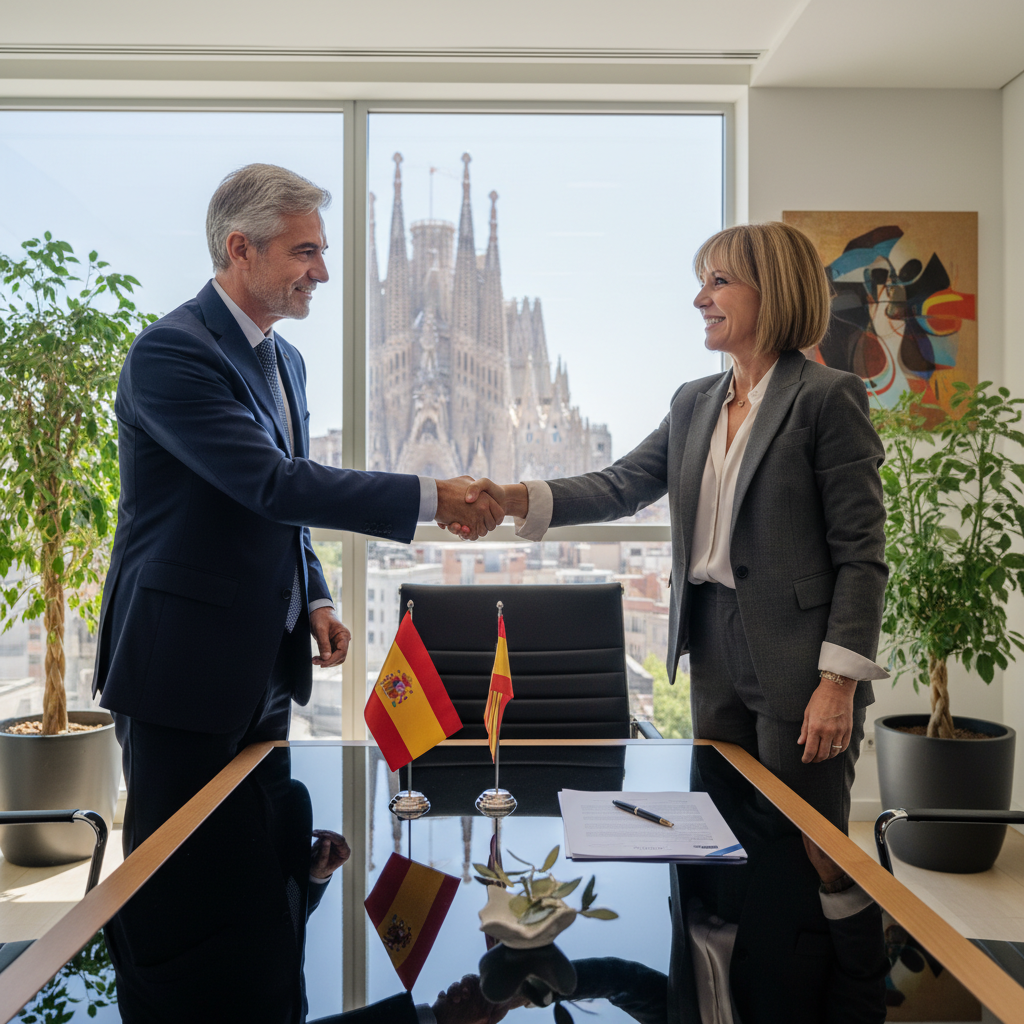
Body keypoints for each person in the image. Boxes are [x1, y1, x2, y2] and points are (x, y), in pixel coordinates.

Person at [92, 163, 505, 856]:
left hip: (266, 667)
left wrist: (313, 594)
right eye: (303, 251)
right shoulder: (172, 352)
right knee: (177, 881)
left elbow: (282, 509)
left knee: (261, 866)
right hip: (182, 671)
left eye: (322, 250)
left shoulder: (286, 363)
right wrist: (435, 496)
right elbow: (275, 483)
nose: (322, 272)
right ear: (239, 248)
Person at [451, 222, 888, 832]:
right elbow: (620, 484)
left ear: (774, 291)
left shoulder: (826, 398)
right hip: (711, 643)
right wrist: (514, 497)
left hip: (800, 657)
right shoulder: (695, 402)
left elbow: (862, 556)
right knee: (722, 832)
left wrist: (838, 683)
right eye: (700, 282)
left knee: (805, 846)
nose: (699, 299)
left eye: (718, 282)